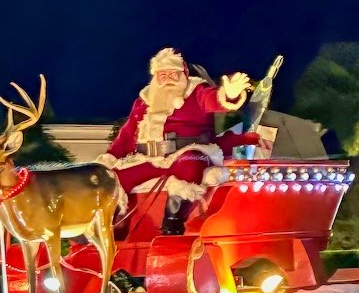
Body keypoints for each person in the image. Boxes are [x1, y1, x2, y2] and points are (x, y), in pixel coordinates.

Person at [96, 48, 255, 235]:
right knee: (111, 178)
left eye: (173, 73)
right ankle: (107, 229)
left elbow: (213, 100)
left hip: (187, 153)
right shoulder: (144, 101)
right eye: (162, 75)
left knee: (190, 162)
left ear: (184, 74)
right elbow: (128, 133)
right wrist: (109, 158)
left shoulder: (196, 91)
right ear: (155, 77)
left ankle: (172, 223)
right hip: (150, 159)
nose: (168, 78)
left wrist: (229, 95)